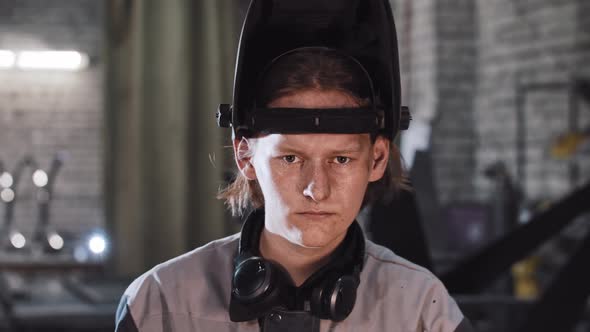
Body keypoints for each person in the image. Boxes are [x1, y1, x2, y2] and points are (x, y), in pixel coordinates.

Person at [115, 1, 473, 331]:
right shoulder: (158, 304)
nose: (316, 188)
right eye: (291, 158)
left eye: (341, 159)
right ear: (245, 157)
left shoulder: (424, 310)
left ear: (377, 159)